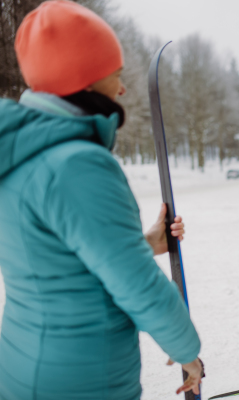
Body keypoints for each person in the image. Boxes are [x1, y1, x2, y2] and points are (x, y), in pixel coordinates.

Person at [0, 1, 202, 399]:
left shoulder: (19, 152)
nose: (123, 88)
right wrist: (188, 352)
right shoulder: (77, 163)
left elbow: (62, 262)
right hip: (82, 376)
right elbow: (135, 282)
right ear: (86, 79)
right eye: (116, 74)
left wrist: (146, 243)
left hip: (25, 362)